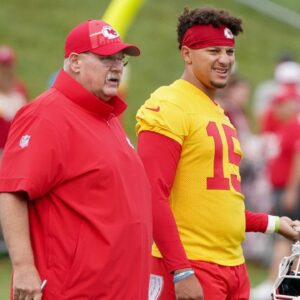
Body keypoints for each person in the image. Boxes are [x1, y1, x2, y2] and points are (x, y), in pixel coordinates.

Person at [136, 7, 300, 300]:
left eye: (229, 51)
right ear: (187, 54)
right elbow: (151, 194)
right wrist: (181, 270)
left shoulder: (218, 113)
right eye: (213, 51)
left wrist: (273, 223)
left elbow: (220, 202)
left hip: (232, 265)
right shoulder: (169, 104)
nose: (224, 59)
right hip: (192, 263)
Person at [0, 19, 152, 300]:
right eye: (107, 59)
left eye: (120, 60)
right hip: (75, 290)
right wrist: (23, 267)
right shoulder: (47, 114)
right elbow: (12, 190)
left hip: (118, 288)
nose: (117, 67)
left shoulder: (105, 116)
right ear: (75, 62)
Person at [251, 91, 300, 299]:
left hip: (289, 190)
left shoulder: (295, 128)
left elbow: (298, 158)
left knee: (286, 235)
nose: (277, 110)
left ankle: (276, 280)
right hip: (280, 188)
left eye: (281, 105)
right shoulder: (284, 128)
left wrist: (291, 190)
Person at [0, 46, 27, 152]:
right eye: (3, 66)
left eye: (8, 65)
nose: (6, 70)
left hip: (15, 148)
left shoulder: (20, 89)